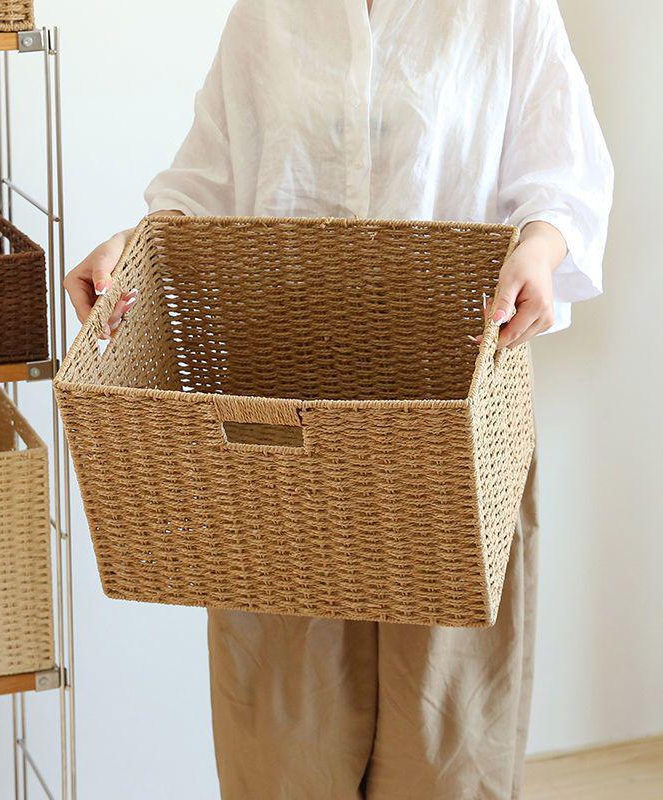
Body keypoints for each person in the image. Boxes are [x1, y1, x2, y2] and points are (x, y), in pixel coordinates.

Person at [64, 1, 613, 797]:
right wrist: (135, 248)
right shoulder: (266, 15)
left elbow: (565, 176)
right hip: (279, 449)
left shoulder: (506, 9)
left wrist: (540, 243)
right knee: (281, 750)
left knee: (446, 755)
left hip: (452, 445)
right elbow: (204, 182)